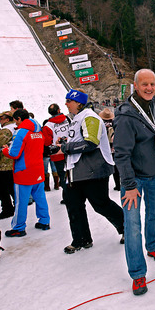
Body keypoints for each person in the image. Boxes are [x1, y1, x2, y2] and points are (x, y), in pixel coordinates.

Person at [114, 69, 155, 296]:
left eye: (152, 84)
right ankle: (137, 273)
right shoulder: (126, 116)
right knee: (133, 227)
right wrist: (130, 185)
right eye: (144, 84)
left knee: (154, 215)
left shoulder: (154, 105)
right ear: (135, 85)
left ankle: (153, 245)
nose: (149, 88)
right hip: (134, 181)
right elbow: (121, 154)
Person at [55, 90, 124, 254]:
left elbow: (91, 142)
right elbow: (79, 139)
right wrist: (65, 142)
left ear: (78, 103)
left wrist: (66, 148)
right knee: (73, 204)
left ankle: (127, 229)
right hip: (76, 171)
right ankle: (81, 239)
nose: (66, 104)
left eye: (68, 101)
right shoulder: (77, 118)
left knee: (101, 204)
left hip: (93, 170)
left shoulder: (89, 116)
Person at [1, 109, 50, 237]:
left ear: (18, 119)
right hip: (38, 170)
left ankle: (19, 227)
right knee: (40, 198)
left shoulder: (21, 132)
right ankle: (44, 221)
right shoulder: (38, 131)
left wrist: (5, 150)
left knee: (21, 201)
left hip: (24, 171)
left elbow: (14, 153)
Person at [42, 104, 70, 194]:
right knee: (73, 175)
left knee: (63, 176)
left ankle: (66, 196)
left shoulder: (48, 125)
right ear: (58, 110)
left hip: (58, 154)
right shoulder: (67, 119)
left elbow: (47, 143)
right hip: (71, 150)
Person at [98, 109, 120, 191]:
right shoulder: (114, 123)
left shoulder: (101, 124)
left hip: (104, 149)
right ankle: (118, 185)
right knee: (116, 168)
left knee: (104, 169)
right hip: (114, 148)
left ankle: (103, 187)